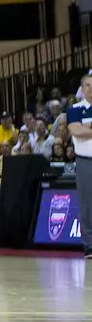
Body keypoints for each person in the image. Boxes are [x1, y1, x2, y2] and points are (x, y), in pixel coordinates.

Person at [67, 72, 92, 259]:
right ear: (82, 89)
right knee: (87, 204)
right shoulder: (75, 109)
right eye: (87, 85)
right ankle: (89, 245)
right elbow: (76, 130)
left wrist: (88, 128)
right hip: (85, 161)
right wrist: (83, 130)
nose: (91, 89)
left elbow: (83, 130)